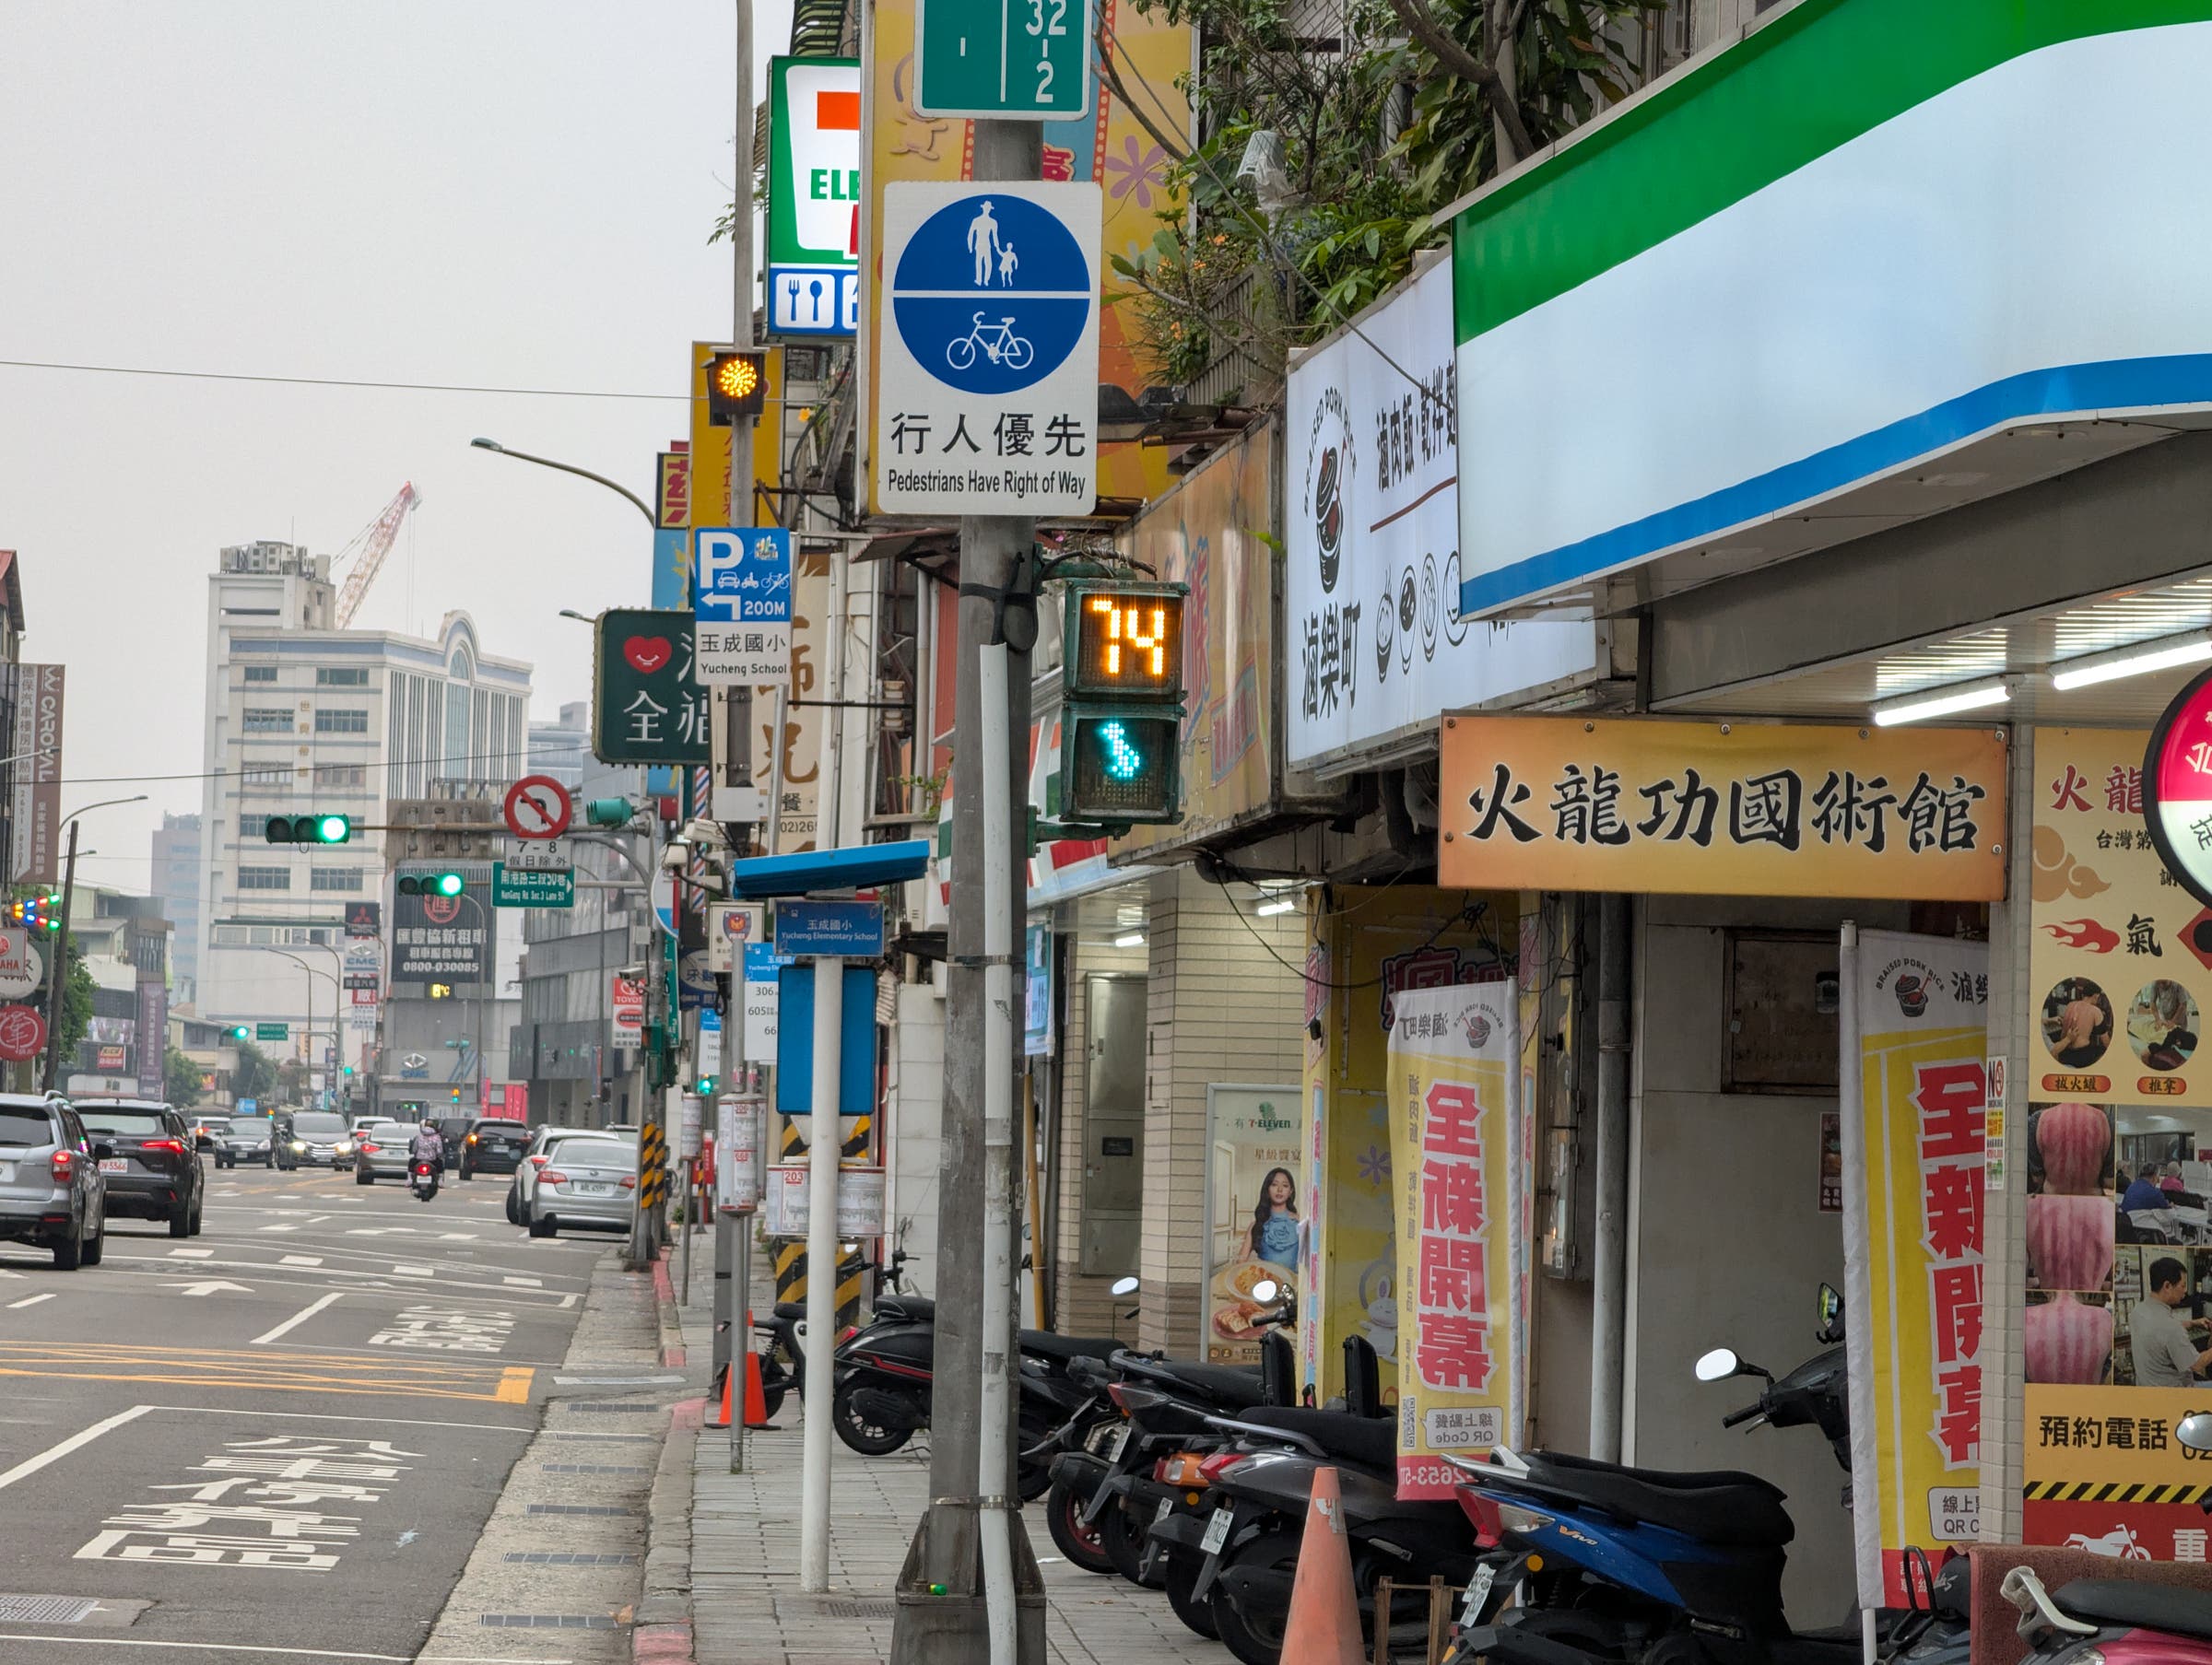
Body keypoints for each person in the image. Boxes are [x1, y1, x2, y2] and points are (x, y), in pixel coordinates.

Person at [2131, 1257, 2212, 1386]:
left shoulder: (2138, 1310)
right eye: (2183, 1285)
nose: (2185, 1291)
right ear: (2167, 1286)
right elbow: (2197, 1365)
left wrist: (2192, 1323)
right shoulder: (2171, 1328)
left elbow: (2159, 1331)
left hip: (2147, 1387)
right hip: (2175, 1394)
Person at [1243, 1167, 1300, 1270]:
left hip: (1293, 1284)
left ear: (1291, 1191)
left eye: (1285, 1186)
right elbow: (1240, 1261)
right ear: (1267, 1189)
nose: (1279, 1189)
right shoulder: (1257, 1225)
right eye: (1274, 1185)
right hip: (1266, 1282)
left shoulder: (1300, 1223)